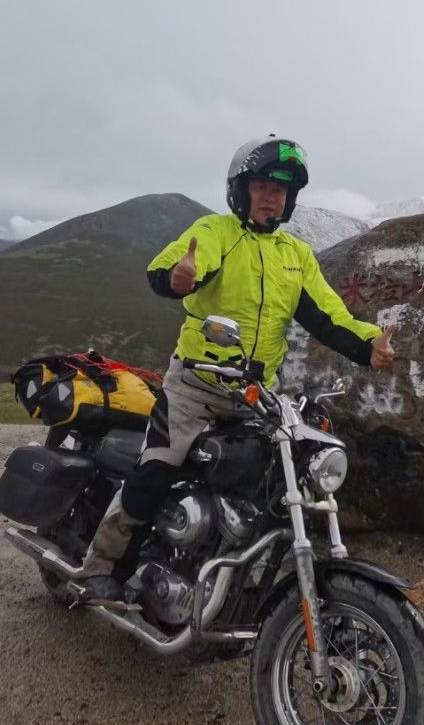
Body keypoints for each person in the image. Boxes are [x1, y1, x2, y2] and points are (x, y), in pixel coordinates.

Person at [78, 135, 395, 600]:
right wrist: (177, 277)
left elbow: (330, 316)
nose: (273, 197)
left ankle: (232, 576)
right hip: (195, 386)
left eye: (282, 191)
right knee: (156, 470)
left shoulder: (296, 256)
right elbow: (178, 264)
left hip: (255, 398)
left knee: (271, 483)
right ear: (241, 189)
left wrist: (369, 344)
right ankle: (99, 568)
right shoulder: (217, 233)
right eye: (264, 185)